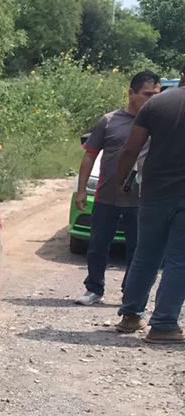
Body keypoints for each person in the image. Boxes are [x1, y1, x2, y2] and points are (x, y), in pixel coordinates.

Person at [72, 70, 161, 306]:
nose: (152, 99)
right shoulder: (109, 121)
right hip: (107, 197)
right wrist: (82, 190)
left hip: (141, 200)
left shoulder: (159, 123)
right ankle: (94, 289)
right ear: (131, 93)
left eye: (156, 94)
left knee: (137, 250)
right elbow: (90, 156)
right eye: (147, 94)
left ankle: (129, 292)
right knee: (97, 246)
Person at [113, 67, 185, 343]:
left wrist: (120, 179)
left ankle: (131, 316)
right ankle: (164, 324)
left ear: (182, 74)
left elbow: (131, 148)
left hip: (154, 191)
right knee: (179, 259)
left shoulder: (156, 104)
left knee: (146, 254)